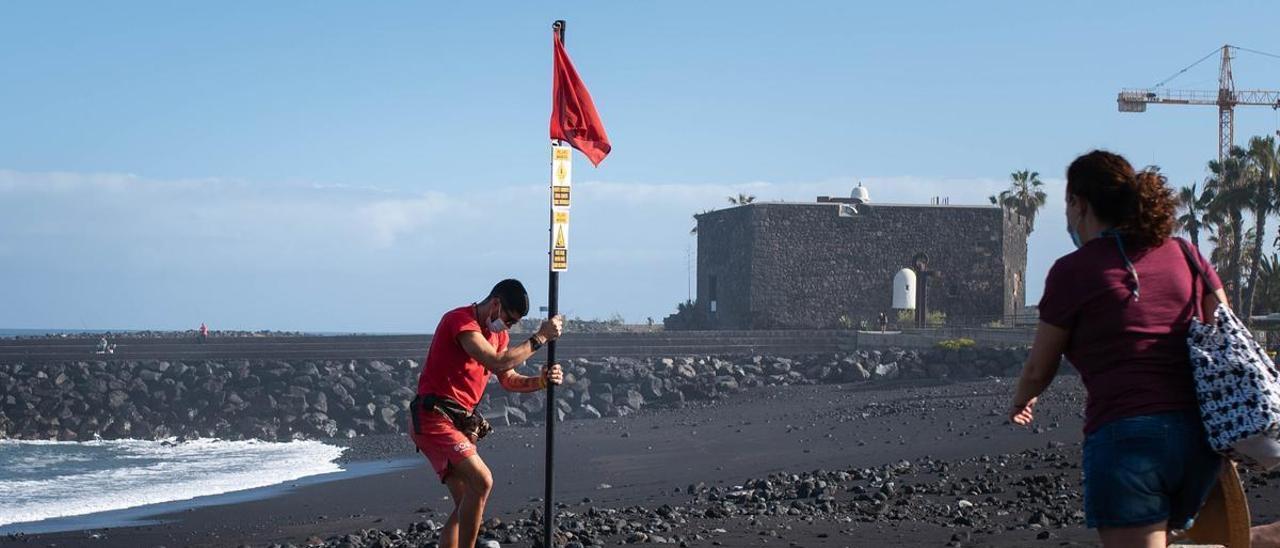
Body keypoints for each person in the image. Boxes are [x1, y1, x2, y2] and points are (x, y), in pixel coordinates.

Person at [1008, 150, 1227, 548]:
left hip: (1129, 439)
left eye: (1068, 204)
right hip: (1200, 440)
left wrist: (1022, 400)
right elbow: (1225, 330)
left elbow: (1040, 369)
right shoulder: (1185, 254)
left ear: (1080, 203)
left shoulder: (1073, 271)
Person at [409, 279, 564, 548]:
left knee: (466, 503)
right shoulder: (460, 321)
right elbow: (495, 361)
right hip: (433, 417)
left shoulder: (499, 336)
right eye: (509, 319)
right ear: (496, 304)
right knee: (483, 481)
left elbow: (507, 378)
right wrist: (540, 338)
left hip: (460, 423)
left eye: (514, 323)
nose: (509, 326)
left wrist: (540, 381)